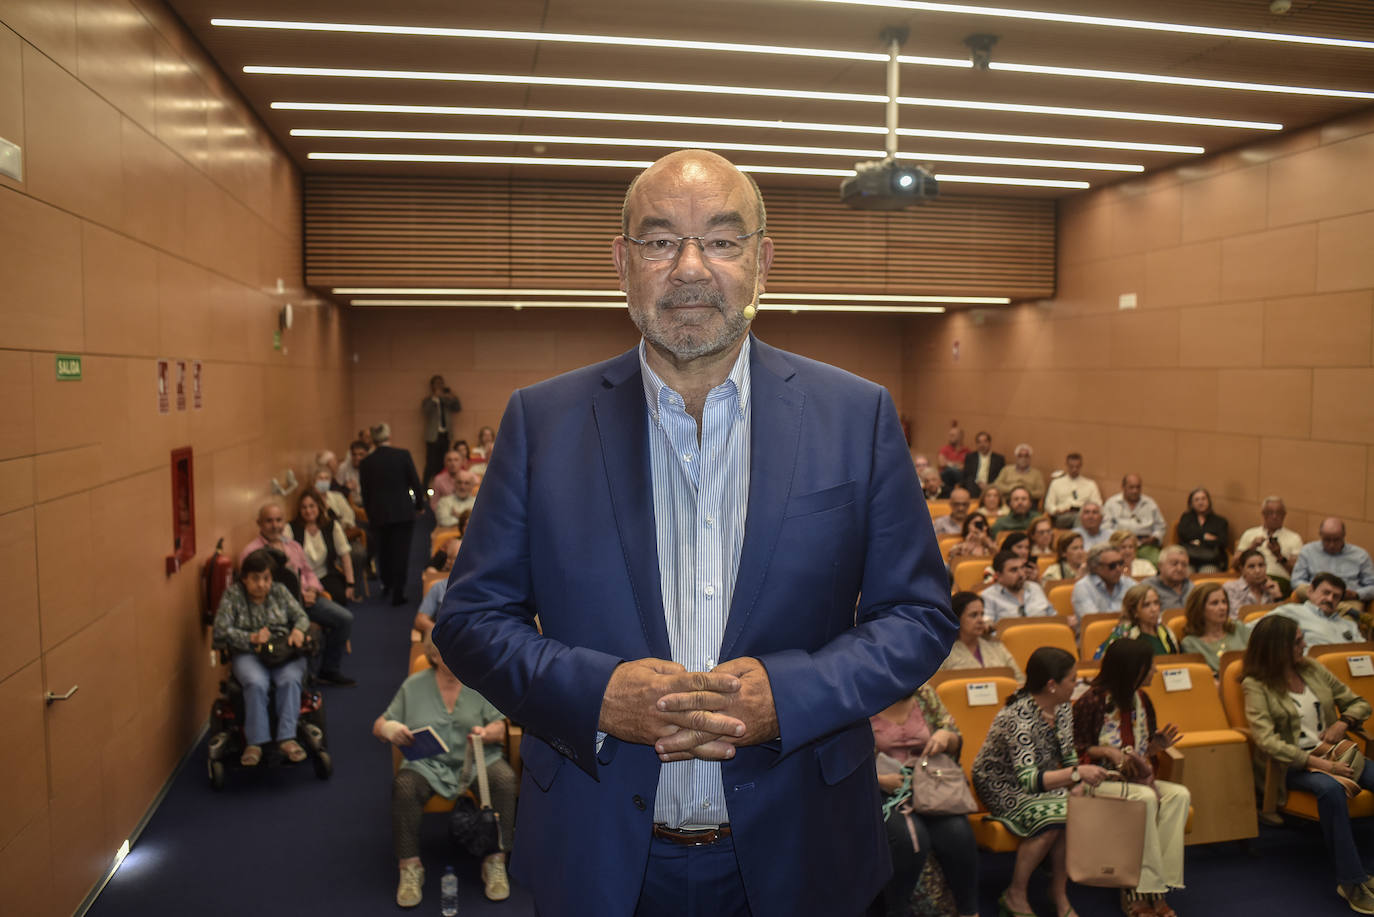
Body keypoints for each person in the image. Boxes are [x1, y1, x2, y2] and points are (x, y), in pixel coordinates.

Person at [432, 149, 958, 917]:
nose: (688, 267)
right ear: (622, 262)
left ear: (762, 261)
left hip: (802, 847)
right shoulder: (541, 423)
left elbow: (918, 617)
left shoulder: (857, 415)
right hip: (602, 854)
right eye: (657, 240)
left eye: (721, 239)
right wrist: (597, 695)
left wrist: (790, 694)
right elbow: (470, 622)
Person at [1241, 614, 1374, 913]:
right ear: (1277, 648)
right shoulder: (1256, 684)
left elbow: (1359, 702)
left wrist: (1344, 723)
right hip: (1290, 765)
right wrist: (1320, 765)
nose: (1305, 645)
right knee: (1329, 790)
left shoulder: (1312, 669)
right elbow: (1267, 741)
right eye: (1298, 642)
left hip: (1332, 752)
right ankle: (1352, 881)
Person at [374, 634, 516, 906]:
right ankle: (410, 867)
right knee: (404, 786)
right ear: (434, 656)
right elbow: (380, 725)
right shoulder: (414, 686)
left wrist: (487, 733)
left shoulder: (479, 681)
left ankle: (495, 860)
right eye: (448, 651)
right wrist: (393, 730)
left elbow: (501, 726)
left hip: (477, 761)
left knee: (505, 779)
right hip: (427, 765)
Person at [972, 648, 1109, 917]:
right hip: (1002, 785)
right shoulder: (1017, 717)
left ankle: (1058, 892)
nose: (1077, 684)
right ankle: (1015, 894)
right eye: (1072, 679)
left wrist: (1076, 782)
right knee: (1055, 817)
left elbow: (1069, 758)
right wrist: (1076, 775)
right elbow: (1029, 781)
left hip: (1042, 781)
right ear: (1052, 685)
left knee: (1075, 806)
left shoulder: (1063, 710)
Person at [1071, 639, 1188, 916]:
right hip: (1097, 783)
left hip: (1132, 781)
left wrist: (1155, 747)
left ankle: (1159, 883)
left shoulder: (1142, 699)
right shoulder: (1092, 701)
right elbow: (1073, 750)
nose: (1155, 672)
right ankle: (1139, 889)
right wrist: (1105, 751)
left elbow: (1140, 751)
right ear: (1132, 669)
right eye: (1150, 667)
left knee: (1179, 795)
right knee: (1145, 799)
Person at [870, 685, 979, 917]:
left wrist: (945, 737)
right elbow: (847, 760)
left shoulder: (925, 694)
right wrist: (880, 780)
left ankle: (969, 911)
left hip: (930, 784)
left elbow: (954, 736)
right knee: (910, 839)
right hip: (882, 788)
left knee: (958, 832)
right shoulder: (865, 697)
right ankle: (896, 910)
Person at [238, 501, 355, 687]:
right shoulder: (251, 552)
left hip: (305, 601)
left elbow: (308, 572)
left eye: (278, 520)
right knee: (301, 632)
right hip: (273, 611)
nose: (275, 525)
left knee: (344, 618)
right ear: (259, 523)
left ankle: (329, 670)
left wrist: (312, 590)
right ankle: (300, 680)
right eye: (269, 521)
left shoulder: (293, 547)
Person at [212, 549, 310, 766]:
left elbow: (301, 616)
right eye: (255, 579)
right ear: (244, 578)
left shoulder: (280, 591)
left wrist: (298, 631)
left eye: (266, 578)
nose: (261, 584)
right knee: (256, 683)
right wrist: (251, 637)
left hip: (282, 650)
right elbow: (220, 630)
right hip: (249, 653)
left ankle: (287, 738)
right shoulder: (233, 595)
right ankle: (255, 743)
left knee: (289, 680)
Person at [359, 422, 424, 607]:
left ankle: (386, 583)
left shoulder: (366, 462)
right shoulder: (402, 455)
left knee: (384, 552)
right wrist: (419, 505)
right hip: (403, 512)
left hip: (378, 514)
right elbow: (415, 482)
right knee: (401, 553)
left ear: (372, 439)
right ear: (389, 436)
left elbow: (366, 492)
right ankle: (398, 591)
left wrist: (370, 514)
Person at [1292, 517, 1374, 615]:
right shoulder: (1308, 551)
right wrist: (1318, 592)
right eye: (1327, 540)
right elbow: (1296, 581)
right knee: (1301, 589)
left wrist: (1356, 594)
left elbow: (1372, 585)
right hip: (1314, 598)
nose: (1331, 545)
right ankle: (1339, 609)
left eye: (1336, 540)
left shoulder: (1360, 555)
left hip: (1347, 600)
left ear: (1344, 536)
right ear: (1320, 535)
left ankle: (1340, 610)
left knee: (1350, 616)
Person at [290, 489, 357, 607]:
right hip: (303, 579)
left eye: (312, 506)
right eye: (304, 507)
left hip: (326, 574)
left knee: (339, 598)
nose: (308, 510)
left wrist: (350, 583)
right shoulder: (290, 528)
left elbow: (345, 555)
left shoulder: (332, 526)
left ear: (319, 507)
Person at [940, 591, 1024, 683]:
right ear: (957, 619)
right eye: (974, 615)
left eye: (982, 614)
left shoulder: (996, 646)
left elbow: (1020, 681)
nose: (980, 620)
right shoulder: (944, 653)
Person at [1270, 573, 1362, 649]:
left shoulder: (1349, 625)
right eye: (1326, 593)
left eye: (1336, 596)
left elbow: (1364, 652)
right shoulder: (1289, 611)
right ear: (1310, 591)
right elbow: (1258, 630)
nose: (1330, 599)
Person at [1235, 497, 1302, 595]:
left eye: (1278, 513)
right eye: (1270, 513)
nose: (1274, 516)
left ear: (1284, 515)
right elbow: (1234, 564)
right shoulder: (1250, 534)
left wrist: (1279, 555)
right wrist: (1251, 548)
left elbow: (1296, 572)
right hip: (1250, 579)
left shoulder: (1294, 538)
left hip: (1279, 580)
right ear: (1263, 514)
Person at [1095, 584, 1180, 659]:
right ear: (1134, 611)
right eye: (1146, 605)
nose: (1154, 609)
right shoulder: (1124, 635)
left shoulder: (1165, 631)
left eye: (1156, 603)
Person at [1180, 582, 1249, 674]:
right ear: (1199, 609)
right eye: (1215, 603)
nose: (1223, 607)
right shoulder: (1191, 643)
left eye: (1224, 602)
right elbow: (1204, 678)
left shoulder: (1239, 629)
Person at [980, 550, 1056, 628]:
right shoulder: (988, 596)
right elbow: (987, 627)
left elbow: (1054, 618)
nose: (1021, 574)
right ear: (999, 576)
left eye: (1022, 567)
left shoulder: (1035, 588)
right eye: (1014, 570)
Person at [1103, 475, 1166, 565]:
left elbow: (1161, 526)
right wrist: (1119, 541)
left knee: (1158, 563)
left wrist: (1154, 538)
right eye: (1131, 487)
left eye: (1138, 487)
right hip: (1119, 545)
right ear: (1123, 487)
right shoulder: (1112, 503)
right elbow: (1105, 527)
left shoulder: (1150, 503)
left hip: (1145, 545)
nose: (1135, 491)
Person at [1071, 545, 1138, 620]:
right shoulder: (1083, 587)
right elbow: (1093, 621)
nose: (1118, 569)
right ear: (1096, 567)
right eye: (1112, 565)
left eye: (1120, 563)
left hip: (1127, 630)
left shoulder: (1129, 583)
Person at [421, 374, 462, 487]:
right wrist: (435, 398)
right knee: (430, 463)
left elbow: (458, 408)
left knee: (443, 462)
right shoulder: (429, 400)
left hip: (446, 435)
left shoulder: (447, 399)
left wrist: (451, 396)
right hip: (433, 436)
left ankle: (440, 486)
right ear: (432, 386)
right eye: (437, 383)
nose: (440, 385)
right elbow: (425, 410)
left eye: (441, 383)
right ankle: (424, 489)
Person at [1176, 487, 1229, 573]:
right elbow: (1183, 534)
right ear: (1191, 504)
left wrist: (1196, 540)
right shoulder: (1186, 518)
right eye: (1197, 500)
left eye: (1203, 499)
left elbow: (1223, 542)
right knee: (1185, 573)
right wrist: (1205, 537)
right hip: (1189, 559)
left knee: (1207, 574)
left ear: (1209, 501)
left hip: (1210, 561)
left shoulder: (1220, 521)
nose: (1200, 502)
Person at [1043, 453, 1101, 530]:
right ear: (1066, 465)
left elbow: (1098, 504)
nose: (1074, 469)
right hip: (1062, 516)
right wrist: (1057, 510)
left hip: (1084, 515)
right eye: (1071, 467)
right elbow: (1048, 505)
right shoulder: (1056, 483)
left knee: (1081, 517)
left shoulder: (1090, 484)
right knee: (1079, 518)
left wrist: (1087, 511)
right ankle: (1078, 538)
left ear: (1081, 466)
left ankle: (1075, 538)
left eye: (1077, 467)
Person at [1224, 548, 1285, 613]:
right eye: (1251, 566)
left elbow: (1283, 618)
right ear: (1242, 569)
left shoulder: (1271, 587)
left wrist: (1278, 596)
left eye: (1261, 565)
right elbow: (1235, 618)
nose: (1257, 571)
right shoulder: (1231, 588)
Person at [991, 444, 1046, 509]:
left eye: (1026, 456)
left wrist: (1026, 491)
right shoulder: (1006, 470)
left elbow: (1041, 492)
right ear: (1016, 457)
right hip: (1007, 502)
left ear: (1029, 458)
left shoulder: (1037, 473)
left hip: (1029, 504)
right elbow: (996, 485)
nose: (1023, 458)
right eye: (1020, 456)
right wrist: (1012, 488)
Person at [1143, 546, 1193, 611]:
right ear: (1160, 566)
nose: (1179, 569)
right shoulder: (1147, 587)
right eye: (1174, 564)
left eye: (1184, 565)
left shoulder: (1191, 587)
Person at [960, 430, 1005, 498]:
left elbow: (1000, 478)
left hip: (991, 486)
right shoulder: (970, 457)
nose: (982, 445)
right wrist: (978, 483)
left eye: (985, 441)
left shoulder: (999, 459)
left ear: (989, 443)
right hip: (973, 485)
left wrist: (988, 486)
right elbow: (966, 475)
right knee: (970, 482)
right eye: (979, 442)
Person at [937, 422, 969, 496]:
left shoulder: (967, 451)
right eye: (949, 435)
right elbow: (942, 463)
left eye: (953, 435)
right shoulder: (945, 449)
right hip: (945, 478)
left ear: (960, 436)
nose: (950, 437)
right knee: (949, 471)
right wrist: (957, 464)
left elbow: (966, 467)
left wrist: (949, 463)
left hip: (960, 478)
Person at [338, 439, 369, 505]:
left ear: (367, 455)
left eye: (361, 454)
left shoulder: (372, 467)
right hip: (350, 504)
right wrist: (346, 488)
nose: (357, 458)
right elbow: (336, 491)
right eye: (354, 454)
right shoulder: (343, 467)